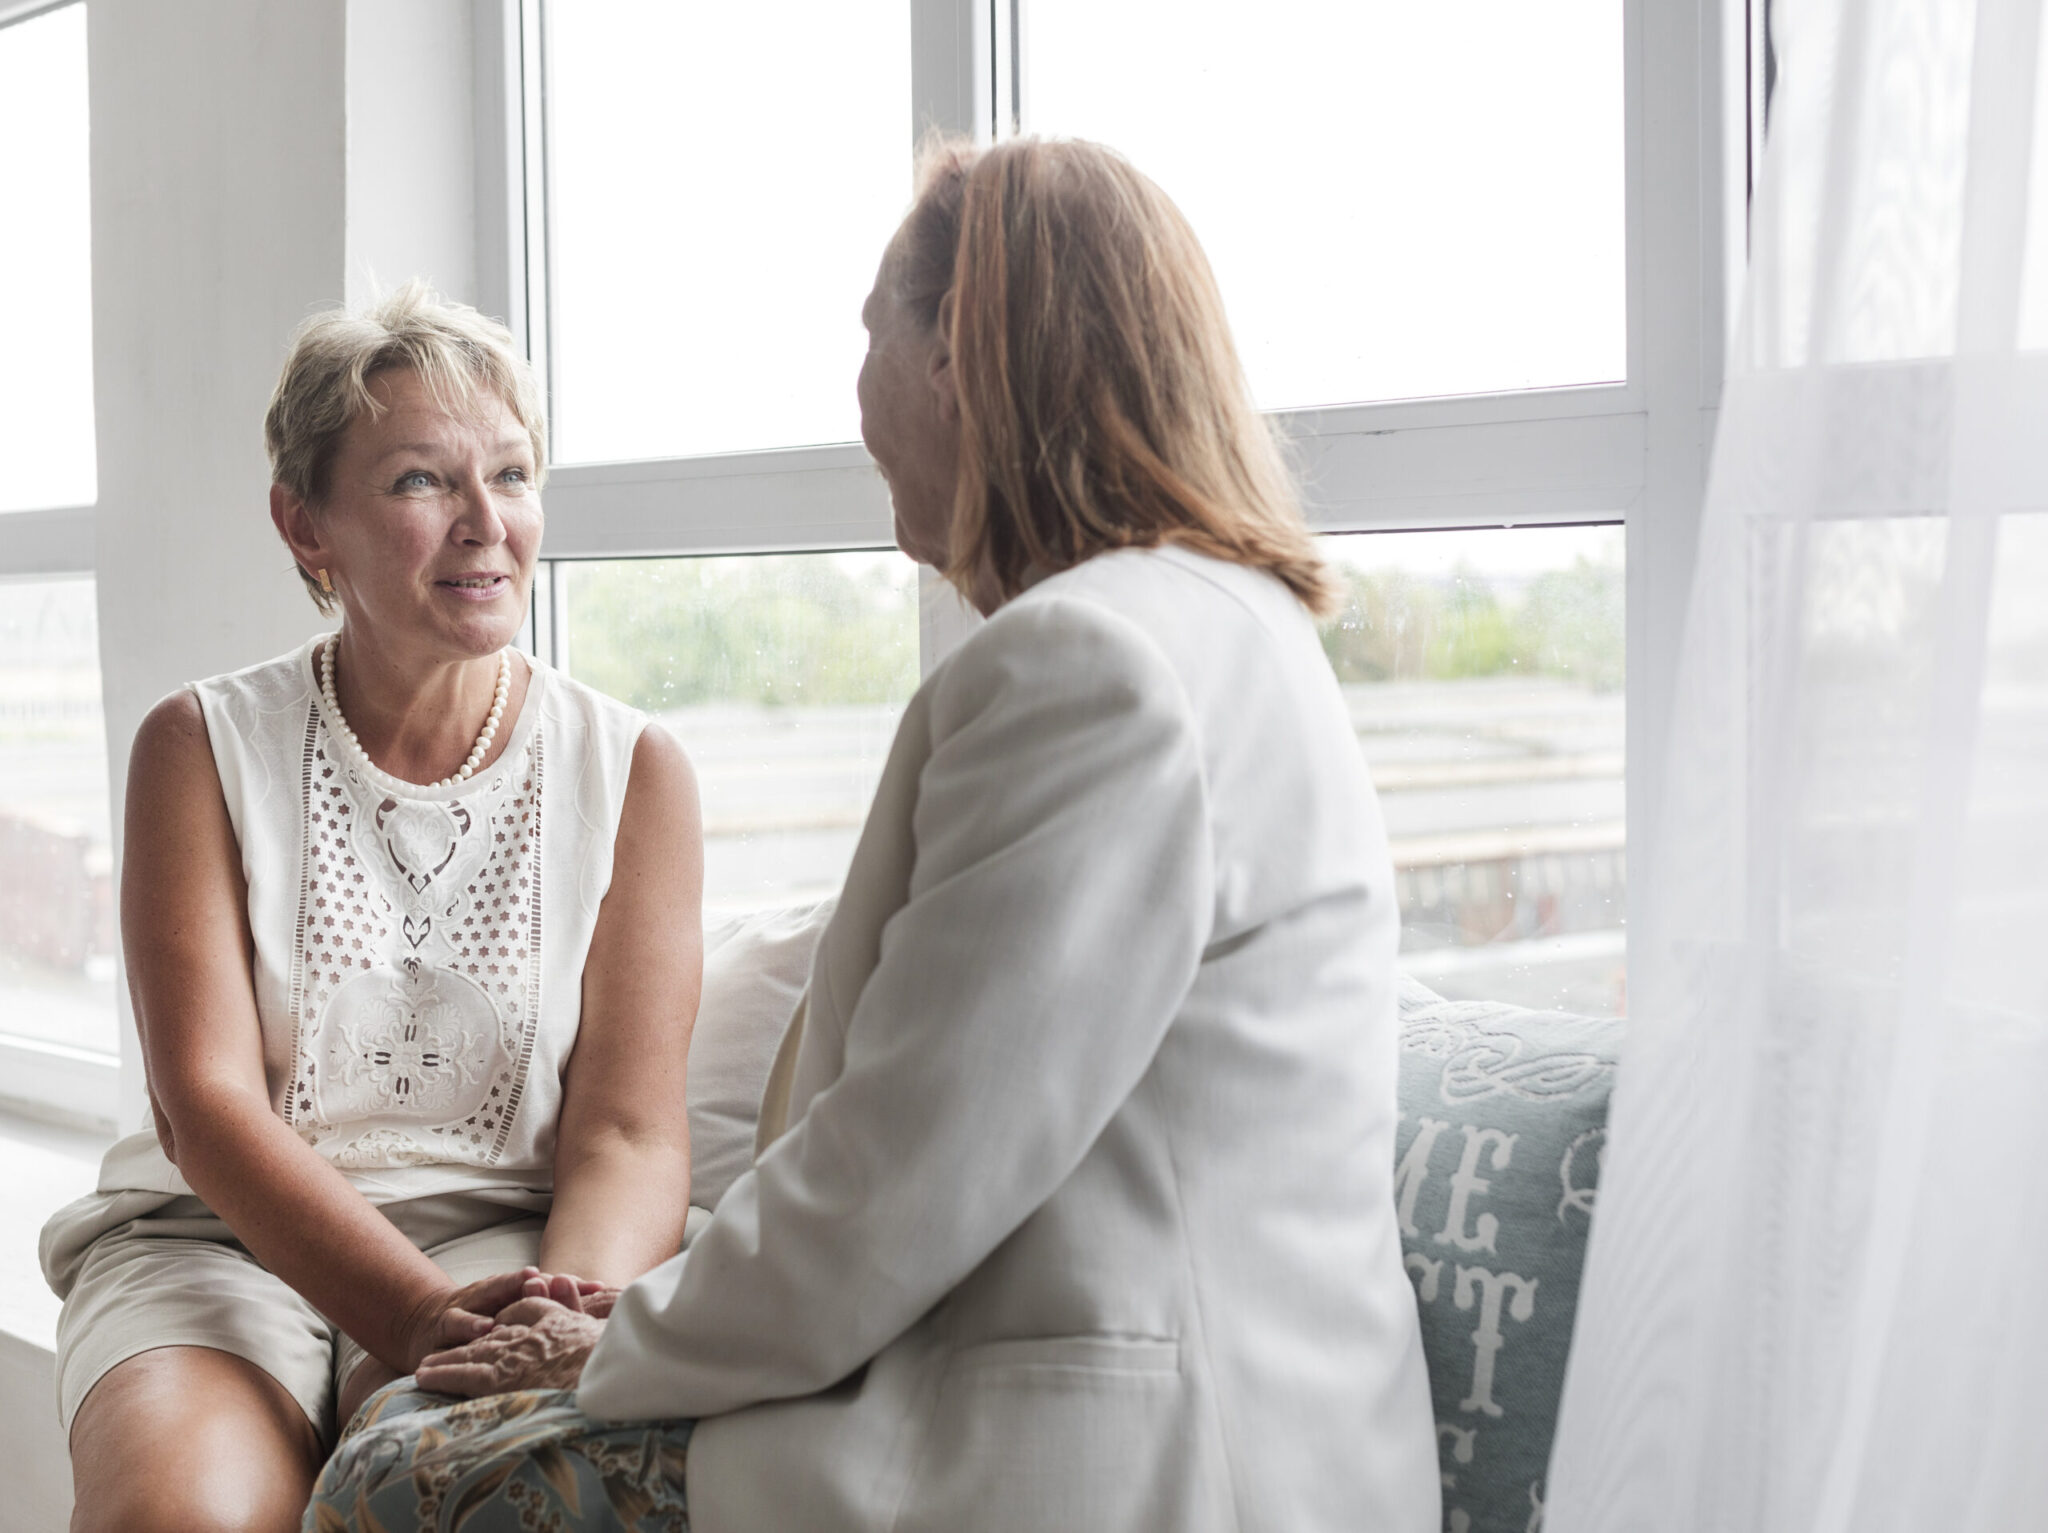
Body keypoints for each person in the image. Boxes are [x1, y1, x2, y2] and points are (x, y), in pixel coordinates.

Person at [310, 137, 1440, 1533]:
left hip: (1120, 1462)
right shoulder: (1217, 621)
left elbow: (897, 1180)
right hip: (1200, 1416)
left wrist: (614, 1340)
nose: (856, 410)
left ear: (956, 353)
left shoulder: (1089, 668)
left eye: (869, 342)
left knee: (403, 1473)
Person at [39, 284, 704, 1533]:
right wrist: (405, 1318)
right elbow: (206, 1110)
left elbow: (628, 1133)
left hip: (506, 1241)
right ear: (306, 525)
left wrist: (565, 1315)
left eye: (510, 474)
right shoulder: (199, 744)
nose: (484, 524)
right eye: (419, 482)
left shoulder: (633, 770)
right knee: (183, 1518)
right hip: (216, 1240)